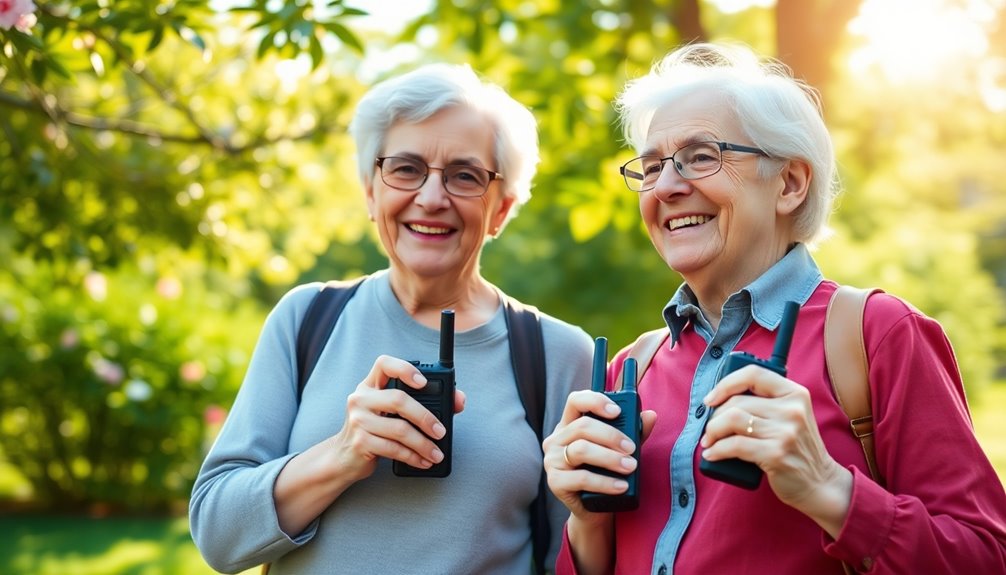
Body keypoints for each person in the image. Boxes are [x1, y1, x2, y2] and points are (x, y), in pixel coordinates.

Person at [542, 43, 1006, 574]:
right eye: (651, 168)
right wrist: (586, 521)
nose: (666, 186)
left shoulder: (877, 335)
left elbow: (985, 557)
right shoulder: (631, 368)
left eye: (700, 156)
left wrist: (825, 487)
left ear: (788, 183)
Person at [189, 63, 594, 574]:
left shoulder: (557, 355)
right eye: (405, 168)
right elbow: (218, 537)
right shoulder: (306, 319)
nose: (431, 197)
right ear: (369, 191)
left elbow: (584, 556)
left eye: (464, 176)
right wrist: (341, 454)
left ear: (501, 210)